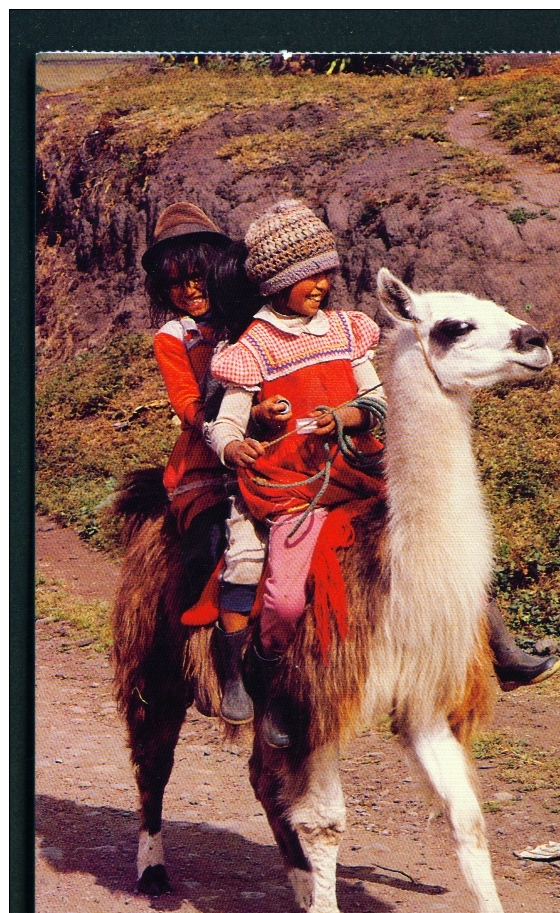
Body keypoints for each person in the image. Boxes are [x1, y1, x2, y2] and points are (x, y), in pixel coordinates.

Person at [208, 200, 386, 748]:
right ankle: (271, 684)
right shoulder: (254, 347)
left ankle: (489, 642)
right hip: (297, 490)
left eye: (326, 272)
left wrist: (349, 415)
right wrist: (236, 443)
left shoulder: (344, 331)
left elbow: (377, 400)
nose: (322, 285)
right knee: (285, 600)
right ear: (278, 282)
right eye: (310, 275)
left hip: (358, 473)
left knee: (437, 531)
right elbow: (225, 422)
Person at [142, 203, 267, 723]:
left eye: (197, 276)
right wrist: (229, 419)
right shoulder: (175, 338)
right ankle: (183, 648)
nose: (189, 290)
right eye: (176, 284)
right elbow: (186, 403)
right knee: (209, 542)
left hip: (264, 449)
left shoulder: (248, 322)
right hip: (202, 459)